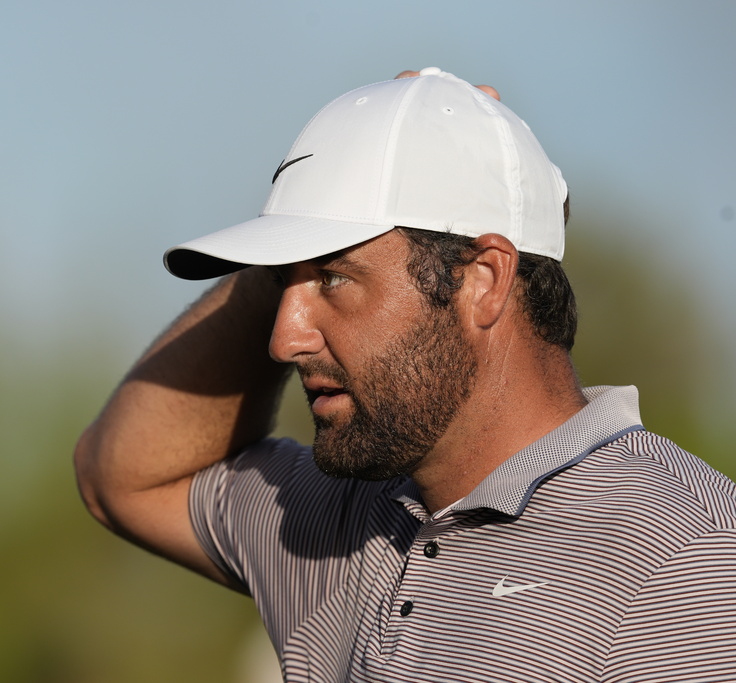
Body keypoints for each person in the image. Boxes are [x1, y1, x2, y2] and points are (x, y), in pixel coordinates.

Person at [74, 68, 736, 681]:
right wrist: (277, 256)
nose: (281, 339)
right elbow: (120, 476)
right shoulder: (343, 519)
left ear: (484, 280)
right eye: (284, 285)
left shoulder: (692, 561)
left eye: (334, 275)